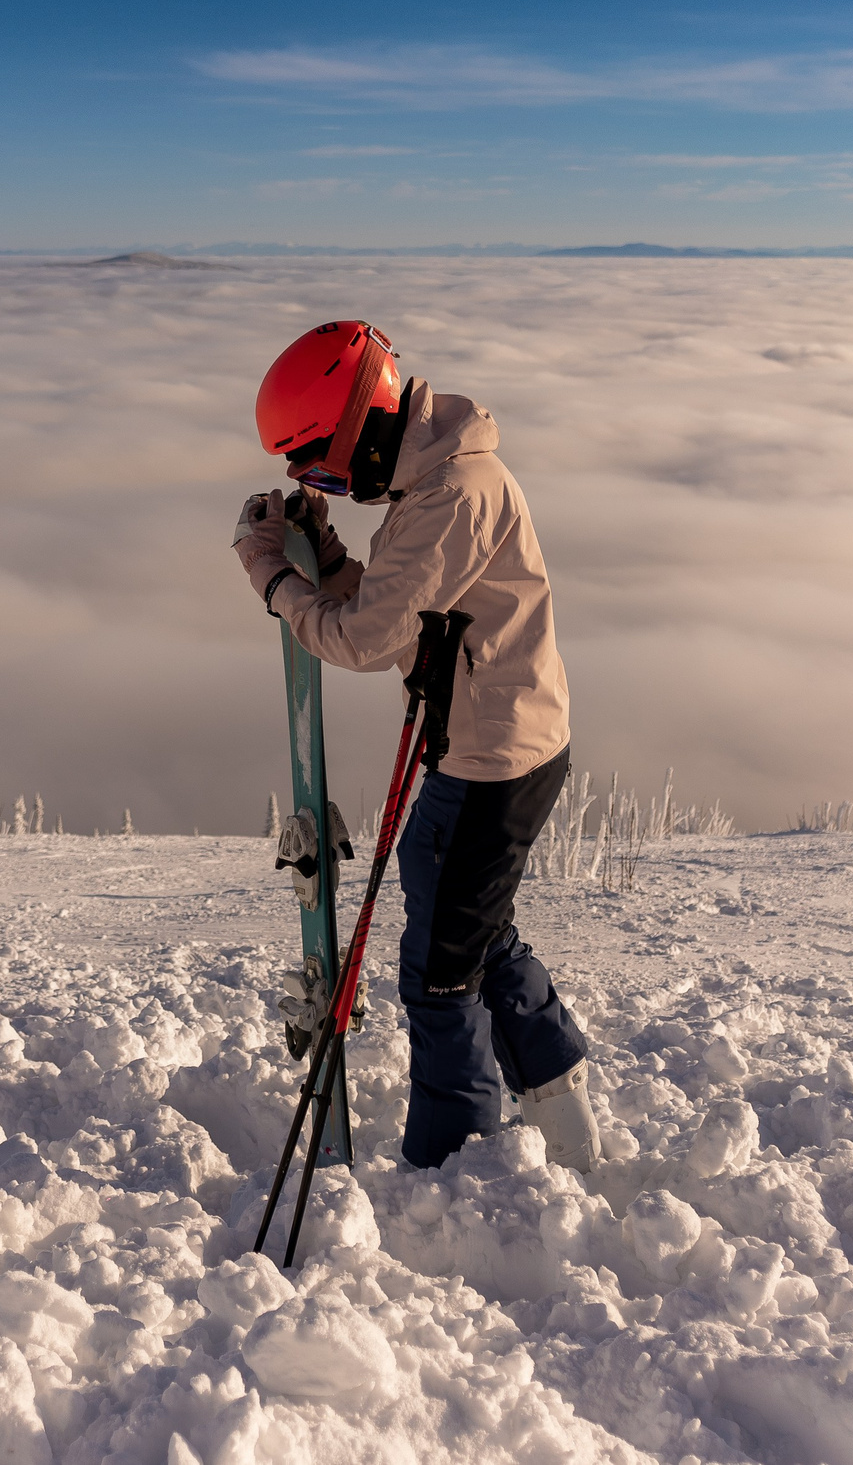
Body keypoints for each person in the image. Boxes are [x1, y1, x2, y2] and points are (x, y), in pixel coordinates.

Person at [230, 319, 600, 1173]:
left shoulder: (448, 499)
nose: (325, 484)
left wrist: (272, 577)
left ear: (358, 429)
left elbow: (363, 639)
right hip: (503, 742)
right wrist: (326, 552)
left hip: (487, 761)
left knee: (439, 972)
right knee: (476, 931)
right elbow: (405, 608)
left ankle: (458, 1169)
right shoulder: (435, 479)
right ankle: (558, 1100)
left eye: (322, 467)